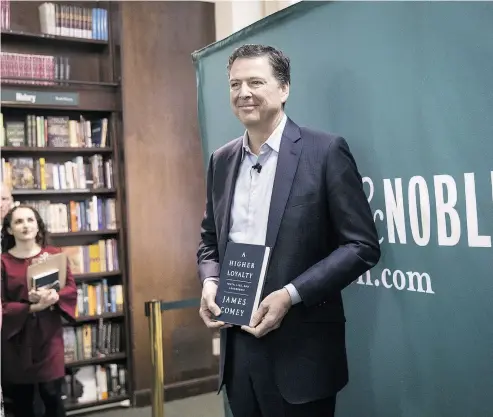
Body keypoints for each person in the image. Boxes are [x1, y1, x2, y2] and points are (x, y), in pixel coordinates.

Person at [197, 44, 381, 417]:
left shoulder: (325, 151)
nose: (243, 93)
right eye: (235, 84)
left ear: (284, 89)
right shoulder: (221, 160)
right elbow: (209, 242)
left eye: (255, 82)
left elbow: (361, 245)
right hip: (238, 349)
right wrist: (209, 281)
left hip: (301, 351)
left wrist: (290, 294)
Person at [1, 205, 77, 417]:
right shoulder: (3, 263)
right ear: (9, 230)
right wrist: (31, 306)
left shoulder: (54, 255)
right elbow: (1, 305)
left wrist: (55, 296)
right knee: (21, 404)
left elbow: (70, 288)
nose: (25, 225)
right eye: (18, 222)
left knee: (52, 397)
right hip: (17, 340)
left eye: (30, 220)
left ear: (38, 226)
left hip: (48, 337)